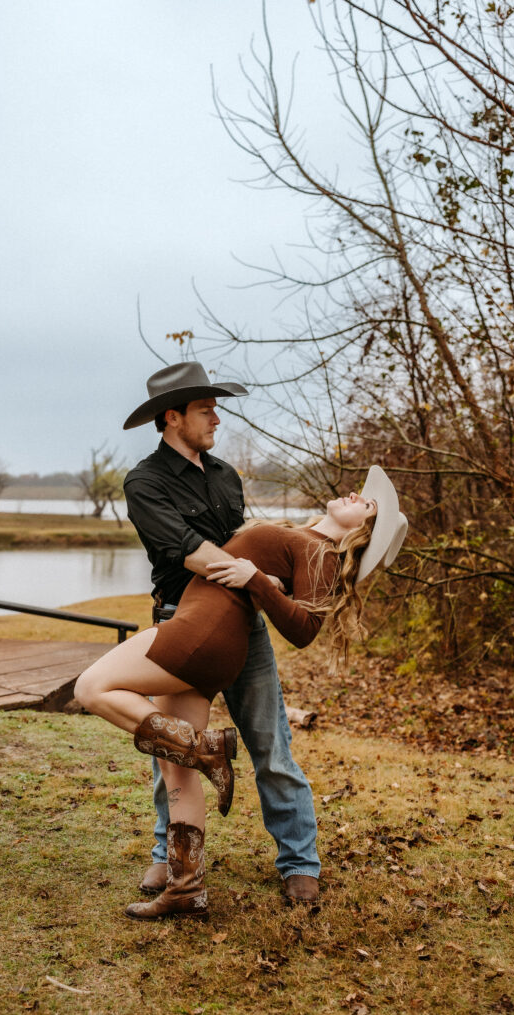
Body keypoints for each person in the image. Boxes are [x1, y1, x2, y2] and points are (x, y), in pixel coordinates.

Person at [74, 458, 407, 920]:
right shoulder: (306, 538)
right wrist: (265, 580)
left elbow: (305, 628)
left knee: (90, 687)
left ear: (363, 531)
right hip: (203, 631)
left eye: (366, 504)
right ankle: (185, 887)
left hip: (200, 632)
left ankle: (211, 753)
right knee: (177, 769)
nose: (355, 495)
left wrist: (257, 582)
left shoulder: (324, 552)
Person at [120, 361, 323, 907]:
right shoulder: (145, 481)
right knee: (175, 752)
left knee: (270, 746)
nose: (217, 417)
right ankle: (167, 857)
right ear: (172, 416)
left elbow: (243, 543)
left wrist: (265, 575)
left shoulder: (226, 475)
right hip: (181, 625)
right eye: (205, 409)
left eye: (215, 407)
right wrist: (248, 572)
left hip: (244, 627)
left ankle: (299, 862)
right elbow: (188, 549)